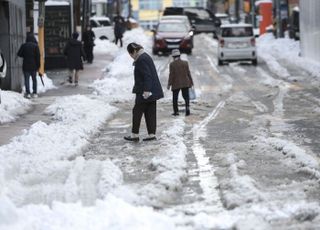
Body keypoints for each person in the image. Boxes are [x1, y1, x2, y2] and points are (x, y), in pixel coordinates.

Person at [124, 42, 164, 142]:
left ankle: (134, 135)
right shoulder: (145, 57)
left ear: (133, 51)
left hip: (144, 91)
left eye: (130, 54)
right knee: (150, 112)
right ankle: (151, 135)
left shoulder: (141, 59)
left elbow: (147, 75)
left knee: (137, 111)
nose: (131, 57)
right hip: (152, 91)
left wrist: (146, 90)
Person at [167, 49, 193, 116]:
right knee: (186, 97)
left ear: (173, 57)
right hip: (185, 83)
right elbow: (188, 73)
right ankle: (187, 108)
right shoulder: (185, 63)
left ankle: (176, 112)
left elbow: (171, 75)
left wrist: (169, 84)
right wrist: (191, 81)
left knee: (175, 98)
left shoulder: (172, 64)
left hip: (176, 84)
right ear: (179, 56)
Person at [17, 34, 40, 98]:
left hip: (26, 66)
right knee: (34, 79)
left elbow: (19, 54)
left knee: (26, 79)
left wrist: (24, 55)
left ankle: (28, 93)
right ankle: (35, 92)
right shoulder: (35, 46)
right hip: (34, 66)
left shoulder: (24, 46)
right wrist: (38, 66)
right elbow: (38, 57)